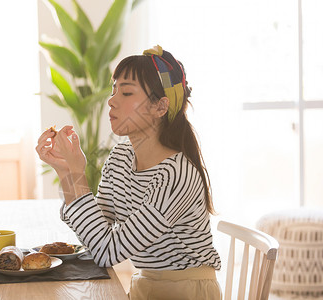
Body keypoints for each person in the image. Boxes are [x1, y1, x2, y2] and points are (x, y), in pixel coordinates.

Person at [36, 45, 222, 299]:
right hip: (145, 288)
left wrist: (78, 171)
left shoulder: (176, 175)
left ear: (160, 107)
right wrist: (67, 171)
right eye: (114, 91)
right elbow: (96, 231)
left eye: (126, 92)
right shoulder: (121, 158)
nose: (111, 100)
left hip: (186, 291)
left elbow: (106, 252)